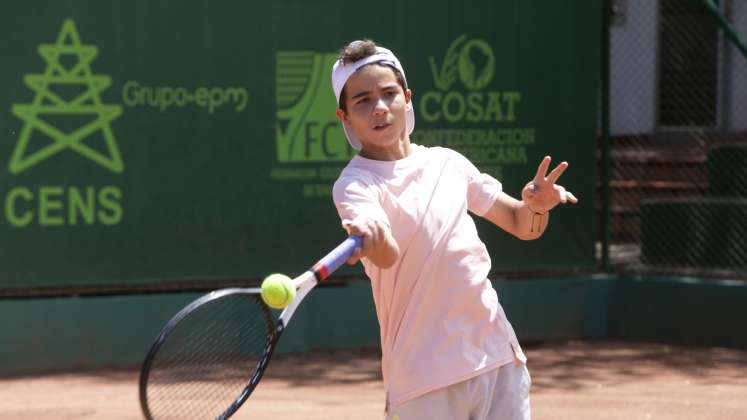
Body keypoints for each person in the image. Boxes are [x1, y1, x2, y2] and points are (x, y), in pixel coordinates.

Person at [330, 39, 578, 420]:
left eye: (388, 94)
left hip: (496, 359)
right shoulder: (355, 185)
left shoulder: (447, 163)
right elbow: (388, 253)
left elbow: (520, 224)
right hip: (421, 381)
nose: (379, 107)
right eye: (362, 100)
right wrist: (373, 238)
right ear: (345, 117)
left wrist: (536, 207)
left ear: (407, 98)